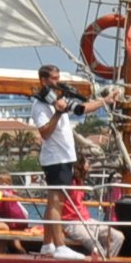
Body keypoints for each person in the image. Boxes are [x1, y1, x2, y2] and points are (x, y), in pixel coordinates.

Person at [32, 65, 84, 200]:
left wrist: (103, 101)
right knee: (56, 201)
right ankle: (54, 222)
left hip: (65, 158)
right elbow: (45, 133)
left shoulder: (58, 101)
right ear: (44, 81)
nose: (58, 82)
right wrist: (58, 113)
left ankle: (56, 221)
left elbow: (82, 108)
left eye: (58, 78)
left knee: (59, 201)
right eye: (54, 78)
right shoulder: (40, 105)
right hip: (55, 159)